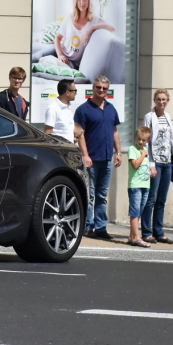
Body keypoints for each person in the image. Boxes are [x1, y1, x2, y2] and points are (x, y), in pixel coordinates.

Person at [73, 76, 122, 240]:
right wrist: (85, 155)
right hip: (92, 159)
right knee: (91, 195)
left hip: (107, 158)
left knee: (102, 195)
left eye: (104, 88)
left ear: (108, 90)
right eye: (98, 87)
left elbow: (115, 131)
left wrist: (119, 152)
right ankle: (88, 227)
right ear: (93, 88)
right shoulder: (83, 109)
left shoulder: (110, 108)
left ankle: (101, 228)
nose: (101, 90)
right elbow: (80, 134)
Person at [142, 89, 173, 244]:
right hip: (155, 162)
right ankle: (146, 232)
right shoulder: (149, 117)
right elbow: (146, 141)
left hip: (167, 162)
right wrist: (150, 164)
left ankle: (159, 231)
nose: (161, 102)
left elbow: (170, 139)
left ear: (167, 101)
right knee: (151, 198)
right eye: (158, 99)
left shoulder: (168, 117)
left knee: (161, 200)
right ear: (154, 101)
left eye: (164, 99)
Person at [55, 0, 115, 70]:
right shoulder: (70, 18)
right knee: (40, 59)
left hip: (75, 64)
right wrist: (60, 55)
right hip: (62, 57)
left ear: (89, 0)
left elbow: (112, 28)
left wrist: (92, 27)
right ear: (76, 0)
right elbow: (58, 37)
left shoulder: (93, 20)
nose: (82, 3)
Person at [127, 126, 156, 248]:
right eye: (139, 139)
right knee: (135, 212)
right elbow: (134, 165)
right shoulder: (133, 149)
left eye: (144, 140)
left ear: (147, 141)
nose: (141, 142)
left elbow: (145, 166)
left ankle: (132, 236)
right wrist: (143, 155)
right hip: (135, 186)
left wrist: (151, 169)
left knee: (139, 212)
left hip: (145, 185)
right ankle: (137, 237)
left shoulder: (145, 151)